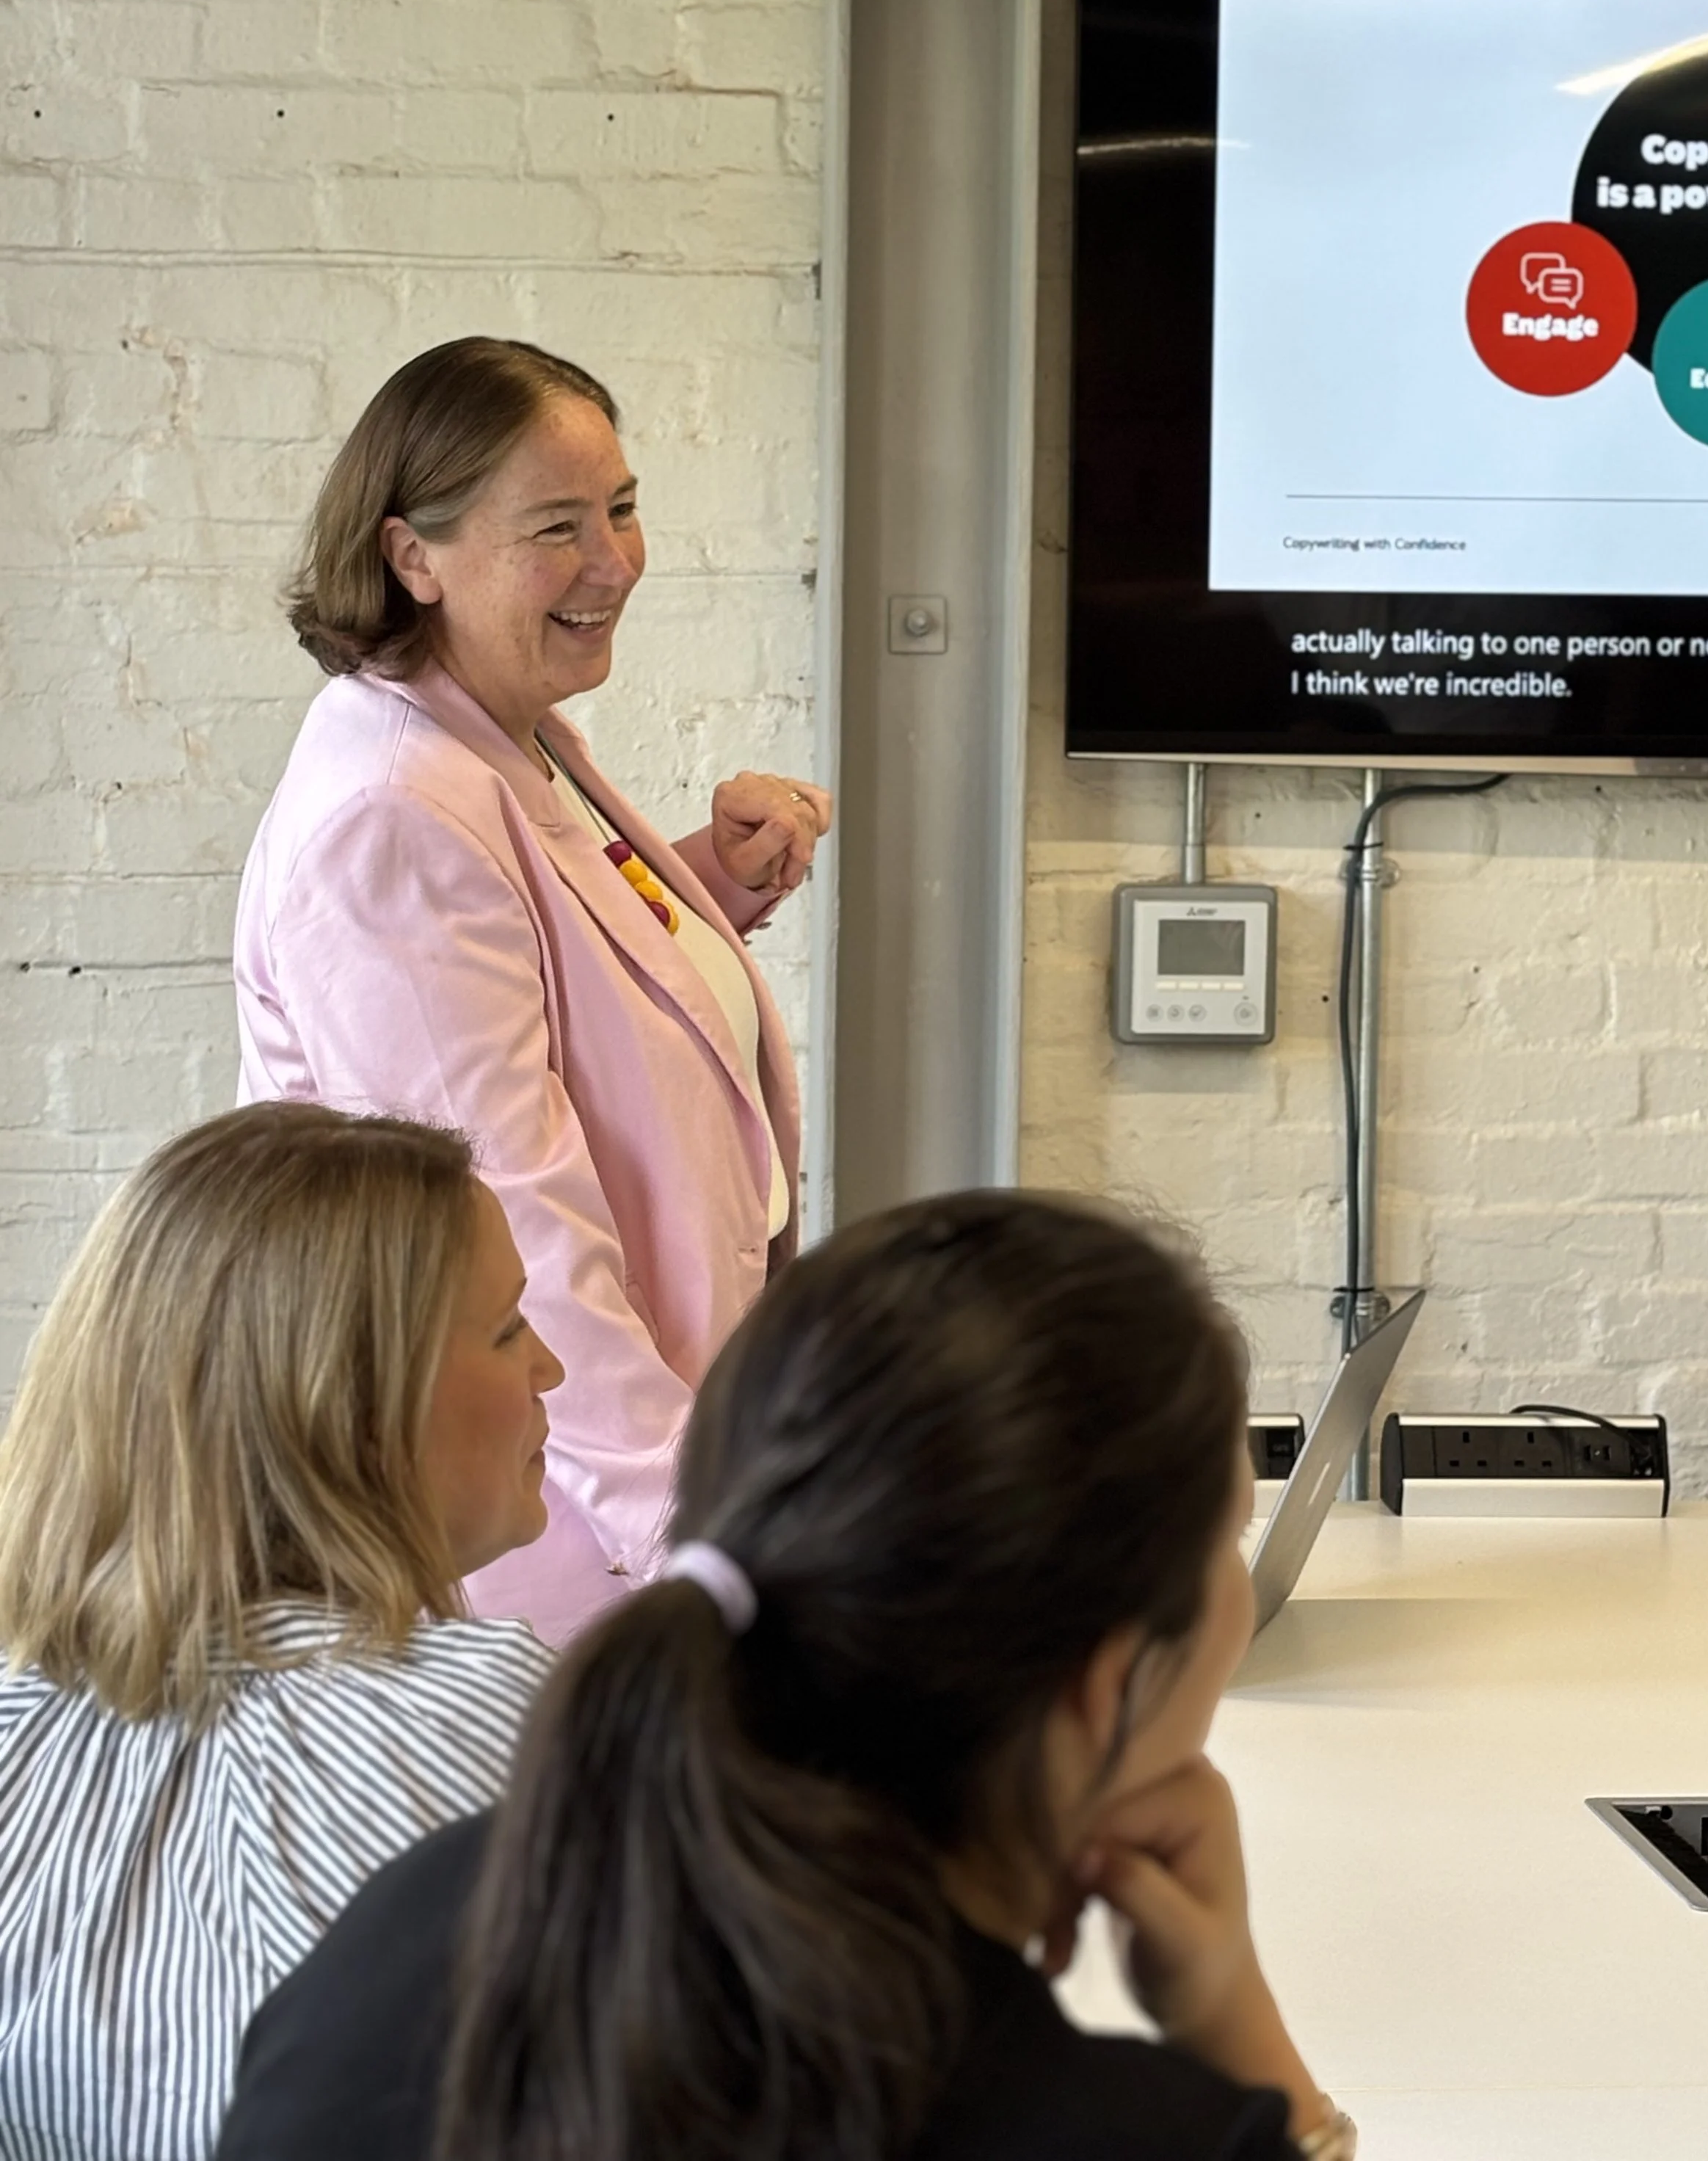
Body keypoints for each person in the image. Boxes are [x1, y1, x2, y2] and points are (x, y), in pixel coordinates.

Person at [215, 1192, 1355, 2161]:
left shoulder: (399, 1936)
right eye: (1230, 1538)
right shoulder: (1119, 2133)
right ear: (1106, 1686)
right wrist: (1238, 2033)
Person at [235, 336, 827, 1646]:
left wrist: (703, 889)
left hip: (625, 1481)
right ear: (413, 555)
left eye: (620, 507)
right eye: (555, 527)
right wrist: (696, 1537)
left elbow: (549, 956)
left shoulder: (507, 731)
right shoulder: (392, 814)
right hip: (540, 1537)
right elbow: (508, 1215)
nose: (612, 562)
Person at [0, 1103, 562, 2161]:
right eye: (509, 1329)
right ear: (350, 1407)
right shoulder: (473, 1714)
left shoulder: (14, 1730)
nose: (550, 1374)